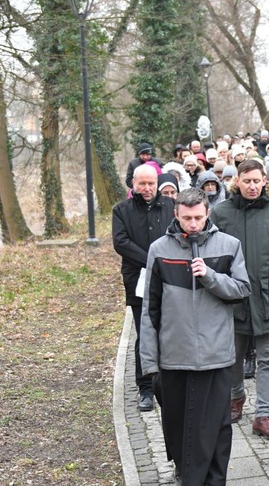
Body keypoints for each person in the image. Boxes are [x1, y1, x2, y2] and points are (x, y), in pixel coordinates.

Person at [140, 188, 251, 485]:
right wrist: (149, 363)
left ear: (207, 214)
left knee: (216, 428)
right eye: (187, 217)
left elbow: (242, 290)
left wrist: (210, 277)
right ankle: (185, 473)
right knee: (178, 427)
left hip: (217, 357)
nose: (193, 224)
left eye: (198, 218)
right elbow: (149, 310)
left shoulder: (230, 245)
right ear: (176, 214)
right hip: (174, 357)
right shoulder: (159, 249)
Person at [210, 160, 269, 438]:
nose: (252, 186)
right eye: (247, 181)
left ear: (264, 181)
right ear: (237, 182)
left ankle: (263, 414)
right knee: (232, 357)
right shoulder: (221, 213)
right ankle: (236, 397)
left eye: (257, 181)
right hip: (232, 298)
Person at [112, 164, 174, 411]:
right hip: (137, 279)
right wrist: (152, 258)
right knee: (144, 332)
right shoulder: (121, 210)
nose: (147, 188)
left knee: (170, 330)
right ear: (133, 184)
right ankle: (146, 388)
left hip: (170, 277)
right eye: (142, 184)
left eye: (151, 184)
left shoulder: (171, 206)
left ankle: (169, 382)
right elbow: (121, 242)